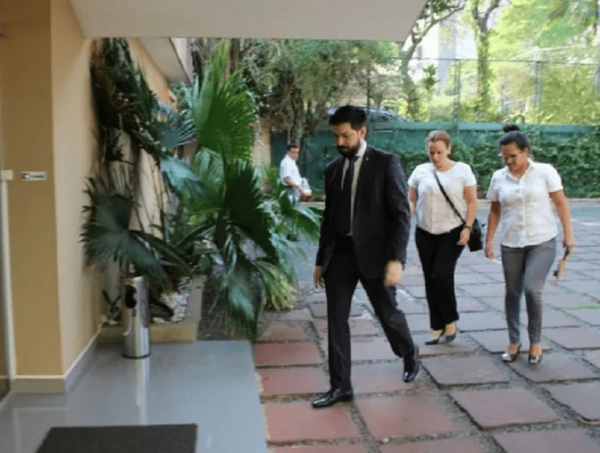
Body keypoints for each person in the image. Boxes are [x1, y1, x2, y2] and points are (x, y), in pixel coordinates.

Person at [312, 105, 419, 409]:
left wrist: (396, 258)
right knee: (336, 320)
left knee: (388, 314)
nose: (340, 142)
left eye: (346, 135)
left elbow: (400, 214)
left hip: (376, 255)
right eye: (336, 136)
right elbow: (329, 219)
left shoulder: (386, 163)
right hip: (340, 256)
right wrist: (320, 260)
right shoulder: (334, 169)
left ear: (362, 132)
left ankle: (408, 351)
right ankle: (340, 387)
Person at [485, 124, 575, 365]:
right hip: (511, 242)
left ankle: (535, 341)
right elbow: (495, 210)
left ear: (526, 151)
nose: (509, 162)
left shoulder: (545, 172)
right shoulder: (498, 177)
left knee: (532, 289)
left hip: (541, 240)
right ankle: (514, 341)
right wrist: (489, 240)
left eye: (513, 156)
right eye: (504, 157)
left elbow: (560, 203)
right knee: (512, 292)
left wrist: (568, 234)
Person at [408, 130, 478, 345]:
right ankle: (436, 326)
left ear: (449, 149)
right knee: (430, 278)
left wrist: (468, 227)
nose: (435, 157)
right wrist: (405, 215)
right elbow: (411, 200)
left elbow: (472, 201)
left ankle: (449, 320)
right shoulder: (420, 171)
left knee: (441, 274)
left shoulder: (462, 170)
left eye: (439, 152)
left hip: (452, 232)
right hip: (424, 232)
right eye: (431, 152)